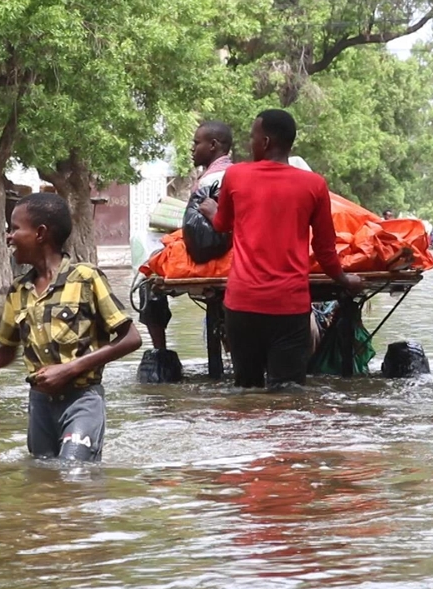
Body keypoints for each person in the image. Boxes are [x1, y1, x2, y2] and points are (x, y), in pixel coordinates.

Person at [0, 193, 142, 461]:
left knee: (72, 473)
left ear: (40, 233)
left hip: (83, 401)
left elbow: (131, 338)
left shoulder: (86, 279)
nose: (9, 236)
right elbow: (3, 353)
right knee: (43, 480)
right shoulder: (19, 290)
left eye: (15, 228)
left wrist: (70, 369)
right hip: (40, 406)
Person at [199, 109, 361, 388]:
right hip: (290, 307)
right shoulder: (314, 184)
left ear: (265, 142)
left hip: (242, 305)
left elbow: (222, 225)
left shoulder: (235, 176)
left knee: (247, 389)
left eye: (252, 137)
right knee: (288, 393)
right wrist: (345, 279)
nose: (250, 143)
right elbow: (324, 249)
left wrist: (211, 210)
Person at [139, 121, 234, 352]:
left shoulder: (214, 179)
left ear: (213, 145)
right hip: (224, 249)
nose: (192, 149)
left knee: (147, 278)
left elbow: (210, 229)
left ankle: (160, 351)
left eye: (196, 143)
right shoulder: (228, 173)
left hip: (217, 256)